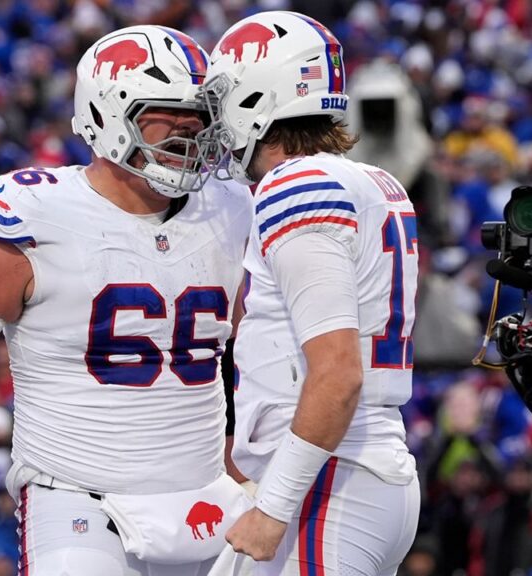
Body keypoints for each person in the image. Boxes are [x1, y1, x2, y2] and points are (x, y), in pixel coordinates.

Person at [0, 25, 253, 576]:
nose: (189, 127)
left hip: (206, 498)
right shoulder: (37, 214)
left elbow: (252, 360)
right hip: (77, 500)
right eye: (166, 111)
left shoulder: (233, 207)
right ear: (106, 114)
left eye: (198, 113)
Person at [200, 11, 419, 576]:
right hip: (346, 471)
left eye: (224, 98)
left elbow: (338, 373)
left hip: (331, 480)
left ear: (256, 98)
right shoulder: (371, 179)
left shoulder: (296, 185)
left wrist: (274, 507)